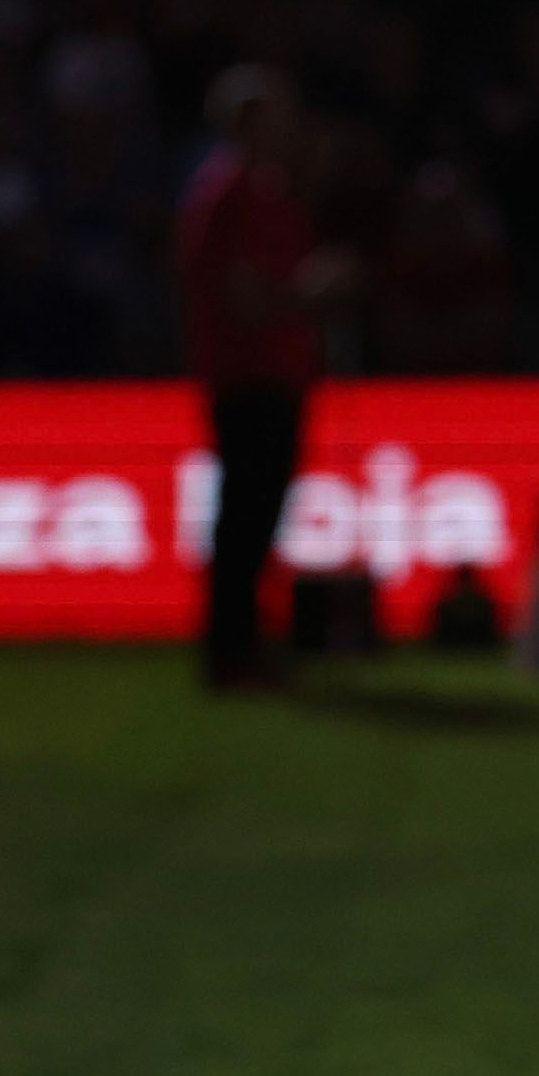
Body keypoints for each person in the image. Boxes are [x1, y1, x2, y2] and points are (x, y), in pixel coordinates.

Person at [173, 65, 345, 690]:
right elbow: (245, 298)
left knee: (259, 515)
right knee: (245, 517)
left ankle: (245, 645)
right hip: (249, 379)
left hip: (277, 376)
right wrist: (312, 293)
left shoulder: (268, 194)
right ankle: (230, 650)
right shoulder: (230, 196)